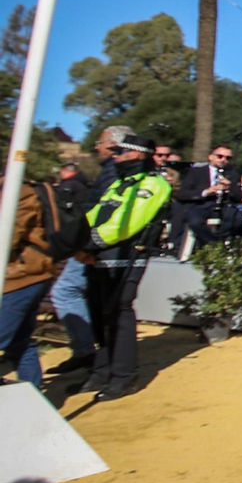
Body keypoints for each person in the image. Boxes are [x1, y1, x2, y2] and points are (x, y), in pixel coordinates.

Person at [82, 133, 169, 400]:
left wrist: (90, 240)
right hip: (98, 255)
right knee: (98, 312)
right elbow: (95, 213)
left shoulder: (154, 184)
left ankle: (124, 377)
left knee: (119, 311)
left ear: (137, 155)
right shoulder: (119, 184)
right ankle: (101, 371)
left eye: (120, 153)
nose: (114, 157)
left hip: (128, 255)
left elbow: (128, 222)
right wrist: (74, 237)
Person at [49, 126, 132, 377]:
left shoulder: (113, 171)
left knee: (66, 291)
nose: (96, 146)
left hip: (94, 244)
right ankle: (96, 355)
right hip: (95, 244)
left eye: (100, 142)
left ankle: (88, 352)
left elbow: (101, 211)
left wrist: (86, 245)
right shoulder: (115, 171)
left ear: (113, 145)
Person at [1, 185, 63, 387]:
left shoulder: (17, 190)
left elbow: (8, 235)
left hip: (21, 277)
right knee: (20, 342)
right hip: (23, 276)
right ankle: (33, 399)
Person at [45, 162, 96, 374]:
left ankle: (87, 352)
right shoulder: (90, 182)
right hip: (87, 242)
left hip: (86, 243)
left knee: (65, 291)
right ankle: (88, 352)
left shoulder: (69, 187)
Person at [176, 146, 242, 245]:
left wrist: (229, 188)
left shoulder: (233, 173)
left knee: (239, 219)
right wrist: (206, 192)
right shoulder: (196, 172)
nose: (224, 160)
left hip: (224, 206)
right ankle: (213, 244)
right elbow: (182, 194)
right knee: (195, 221)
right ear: (210, 157)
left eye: (227, 158)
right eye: (220, 156)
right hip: (201, 205)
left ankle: (223, 243)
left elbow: (238, 197)